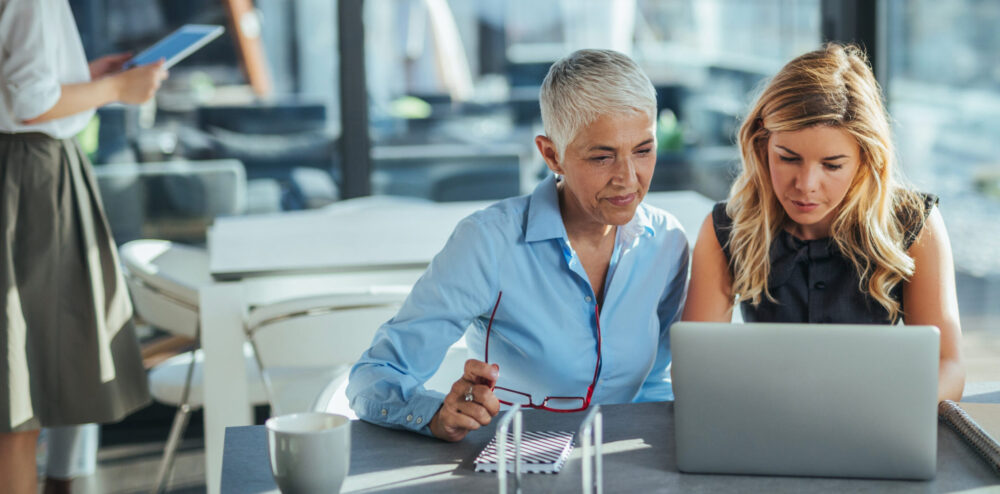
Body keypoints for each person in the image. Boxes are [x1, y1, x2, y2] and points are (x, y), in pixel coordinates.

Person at [347, 48, 689, 441]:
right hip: (509, 467)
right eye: (601, 157)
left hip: (618, 469)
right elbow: (372, 377)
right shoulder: (488, 243)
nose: (628, 178)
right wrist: (436, 414)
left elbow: (654, 383)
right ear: (552, 155)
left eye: (643, 150)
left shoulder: (667, 244)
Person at [681, 43, 965, 402]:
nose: (806, 185)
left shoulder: (914, 223)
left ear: (866, 159)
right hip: (766, 425)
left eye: (832, 165)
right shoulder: (728, 228)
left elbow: (948, 365)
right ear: (762, 143)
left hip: (878, 429)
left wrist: (891, 414)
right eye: (787, 158)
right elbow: (696, 368)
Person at [0, 0, 168, 492]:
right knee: (19, 398)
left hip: (23, 174)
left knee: (19, 385)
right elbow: (30, 105)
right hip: (29, 180)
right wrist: (117, 88)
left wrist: (84, 77)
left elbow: (20, 88)